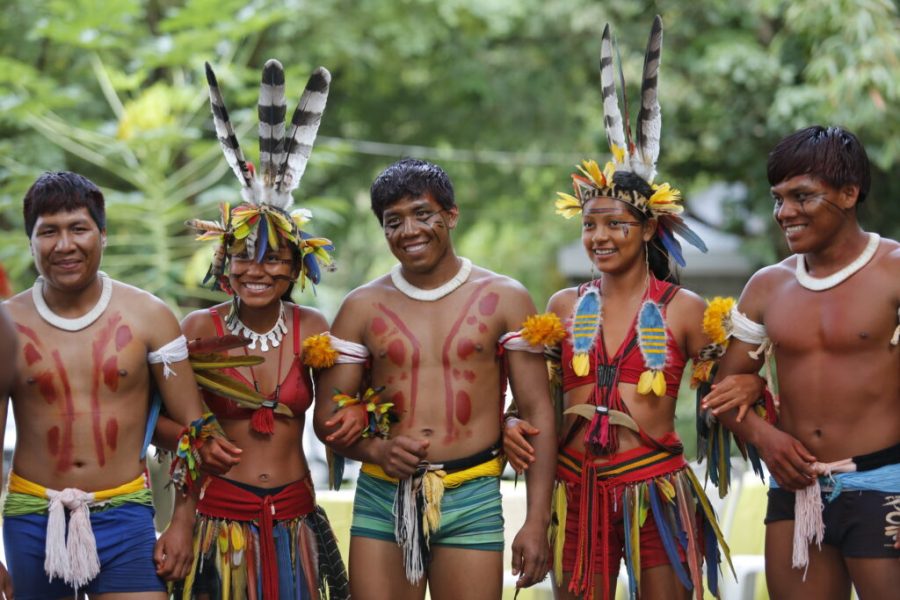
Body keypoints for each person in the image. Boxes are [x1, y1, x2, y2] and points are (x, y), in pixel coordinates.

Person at [504, 17, 764, 600]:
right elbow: (535, 406)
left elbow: (732, 384)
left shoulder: (685, 309)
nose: (600, 236)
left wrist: (748, 387)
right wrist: (510, 432)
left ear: (648, 228)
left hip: (655, 489)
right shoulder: (562, 306)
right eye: (590, 224)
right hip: (576, 490)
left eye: (616, 224)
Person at [311, 157, 557, 599]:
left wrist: (537, 521)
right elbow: (327, 418)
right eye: (393, 221)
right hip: (384, 494)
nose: (409, 231)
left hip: (473, 489)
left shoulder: (505, 297)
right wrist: (377, 448)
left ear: (451, 215)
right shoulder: (361, 307)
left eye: (422, 214)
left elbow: (538, 410)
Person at [0, 171, 240, 600]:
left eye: (79, 228)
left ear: (103, 235)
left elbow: (194, 431)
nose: (65, 244)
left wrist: (182, 522)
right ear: (31, 242)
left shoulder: (149, 316)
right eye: (48, 232)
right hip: (34, 517)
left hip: (126, 514)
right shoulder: (7, 325)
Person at [169, 59, 349, 599]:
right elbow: (160, 420)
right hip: (217, 524)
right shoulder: (197, 327)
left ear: (297, 268)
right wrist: (191, 437)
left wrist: (362, 416)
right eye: (243, 256)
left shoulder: (312, 328)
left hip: (294, 521)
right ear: (224, 264)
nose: (257, 269)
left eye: (275, 260)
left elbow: (337, 417)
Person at [701, 125, 900, 600]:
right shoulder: (768, 286)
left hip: (884, 482)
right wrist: (767, 440)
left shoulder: (894, 272)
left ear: (849, 194)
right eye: (778, 198)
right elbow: (723, 395)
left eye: (802, 196)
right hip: (797, 492)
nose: (785, 212)